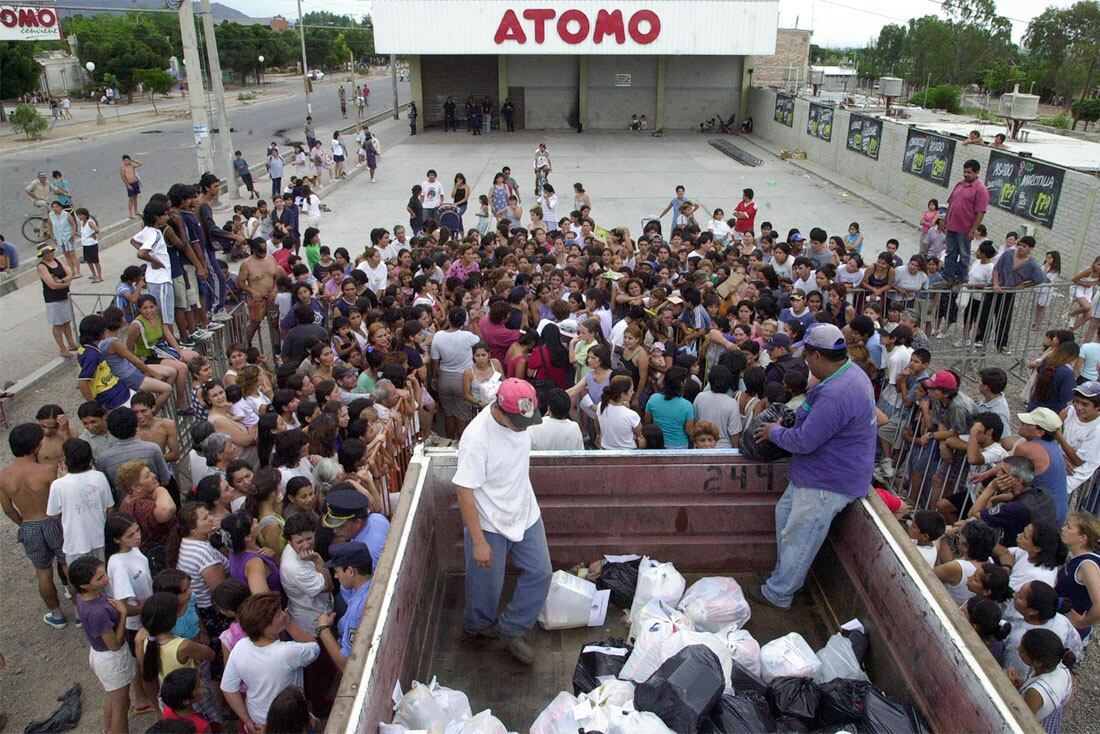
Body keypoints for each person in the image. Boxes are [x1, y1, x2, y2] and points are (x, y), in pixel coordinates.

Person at [749, 324, 876, 609]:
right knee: (785, 521)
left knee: (798, 538)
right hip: (815, 473)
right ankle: (784, 577)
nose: (804, 361)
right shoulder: (847, 373)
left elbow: (805, 441)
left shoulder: (838, 392)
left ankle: (779, 593)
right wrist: (791, 416)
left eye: (806, 356)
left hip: (828, 480)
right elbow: (809, 406)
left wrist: (773, 433)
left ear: (817, 356)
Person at [454, 378, 551, 664]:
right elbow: (464, 491)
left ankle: (513, 628)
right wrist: (479, 541)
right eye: (518, 422)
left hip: (524, 509)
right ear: (500, 410)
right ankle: (478, 626)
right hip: (489, 521)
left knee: (541, 572)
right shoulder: (476, 439)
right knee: (486, 587)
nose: (523, 428)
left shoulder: (519, 419)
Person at [0, 423, 69, 628]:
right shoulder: (48, 470)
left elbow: (8, 509)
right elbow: (61, 500)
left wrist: (23, 524)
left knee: (43, 572)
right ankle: (80, 612)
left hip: (30, 523)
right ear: (35, 447)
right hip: (53, 521)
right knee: (67, 566)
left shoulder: (3, 476)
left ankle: (57, 615)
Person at [68, 555, 133, 734]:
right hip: (112, 659)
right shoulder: (98, 612)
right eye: (100, 578)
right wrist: (123, 614)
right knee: (121, 706)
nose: (106, 578)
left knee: (112, 697)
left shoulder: (84, 599)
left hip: (99, 654)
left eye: (104, 573)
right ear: (84, 585)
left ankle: (108, 729)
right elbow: (114, 644)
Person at [47, 438, 115, 566]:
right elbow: (109, 508)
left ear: (66, 459)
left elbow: (53, 514)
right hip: (100, 537)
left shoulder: (58, 484)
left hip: (75, 542)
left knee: (79, 578)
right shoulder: (99, 477)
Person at [315, 542, 373, 672]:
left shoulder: (356, 610)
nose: (336, 576)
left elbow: (347, 665)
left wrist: (323, 629)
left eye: (337, 571)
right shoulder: (370, 585)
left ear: (351, 571)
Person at [1007, 628, 1074, 731]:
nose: (1018, 648)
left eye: (1023, 651)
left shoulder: (1036, 693)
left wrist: (1009, 687)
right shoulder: (1061, 666)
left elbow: (1020, 720)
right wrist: (1022, 684)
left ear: (1037, 663)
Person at [238, 238, 284, 350]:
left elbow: (276, 277)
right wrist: (252, 292)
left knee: (274, 324)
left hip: (271, 297)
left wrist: (275, 289)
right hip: (256, 299)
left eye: (264, 249)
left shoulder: (271, 258)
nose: (263, 252)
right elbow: (240, 283)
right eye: (260, 250)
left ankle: (277, 350)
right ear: (253, 249)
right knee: (254, 323)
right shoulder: (247, 264)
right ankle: (245, 348)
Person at [1058, 381, 1100, 496]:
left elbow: (1078, 461)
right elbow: (1047, 434)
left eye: (1085, 404)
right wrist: (1061, 457)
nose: (1078, 407)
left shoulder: (1097, 430)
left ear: (1098, 407)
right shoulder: (1069, 411)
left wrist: (1058, 435)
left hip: (1069, 480)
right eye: (1077, 401)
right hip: (1058, 464)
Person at [36, 242, 78, 357]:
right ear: (42, 255)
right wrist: (65, 282)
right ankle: (62, 348)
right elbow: (52, 285)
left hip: (64, 294)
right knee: (58, 324)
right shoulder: (42, 267)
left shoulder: (58, 261)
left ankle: (71, 343)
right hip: (53, 298)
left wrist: (62, 281)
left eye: (50, 251)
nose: (50, 254)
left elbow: (70, 273)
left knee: (67, 321)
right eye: (47, 253)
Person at [46, 199, 81, 279]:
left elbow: (73, 225)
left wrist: (72, 235)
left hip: (68, 237)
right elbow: (49, 226)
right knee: (67, 256)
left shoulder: (66, 215)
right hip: (59, 239)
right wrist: (52, 236)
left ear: (60, 207)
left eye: (56, 206)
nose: (55, 208)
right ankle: (72, 272)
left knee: (73, 255)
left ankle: (78, 272)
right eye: (53, 207)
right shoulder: (51, 215)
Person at [120, 155, 143, 219]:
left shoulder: (131, 165)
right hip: (130, 184)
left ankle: (136, 211)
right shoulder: (122, 168)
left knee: (135, 198)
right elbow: (123, 177)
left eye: (127, 160)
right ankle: (130, 214)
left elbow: (140, 163)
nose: (126, 162)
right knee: (131, 199)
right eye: (125, 160)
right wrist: (127, 185)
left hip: (135, 182)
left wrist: (132, 160)